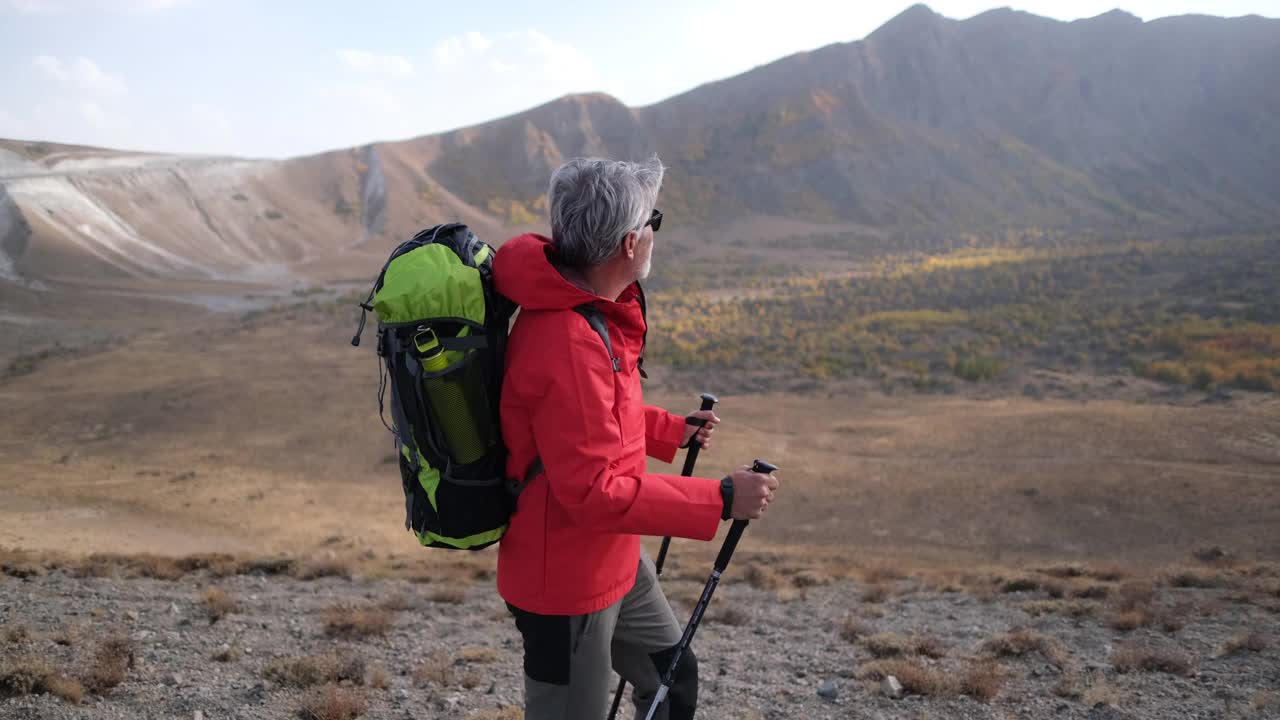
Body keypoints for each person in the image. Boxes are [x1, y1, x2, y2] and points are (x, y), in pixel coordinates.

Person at [492, 156, 781, 720]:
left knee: (673, 680)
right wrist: (721, 498)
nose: (654, 234)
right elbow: (594, 492)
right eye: (654, 222)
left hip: (614, 559)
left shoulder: (588, 313)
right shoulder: (569, 337)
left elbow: (590, 418)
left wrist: (672, 430)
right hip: (567, 582)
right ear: (630, 243)